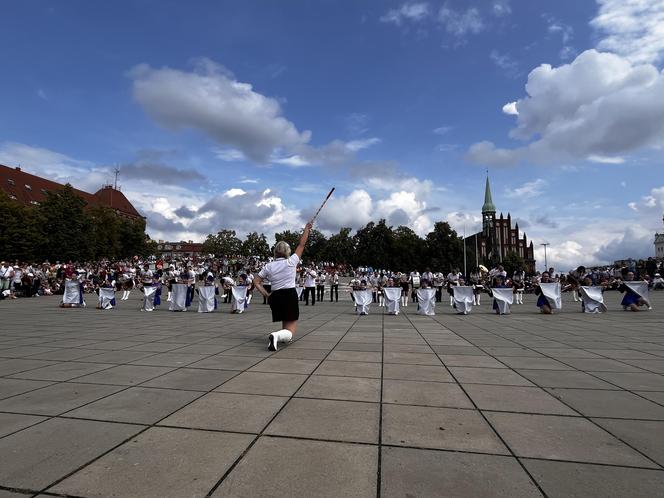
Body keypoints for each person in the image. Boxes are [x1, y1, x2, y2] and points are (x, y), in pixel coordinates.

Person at [253, 220, 312, 351]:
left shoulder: (269, 266)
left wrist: (267, 295)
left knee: (285, 322)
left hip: (275, 295)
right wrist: (307, 228)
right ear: (287, 252)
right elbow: (302, 244)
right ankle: (276, 336)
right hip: (289, 294)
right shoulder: (291, 261)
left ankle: (281, 337)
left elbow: (256, 281)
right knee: (290, 329)